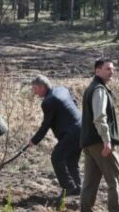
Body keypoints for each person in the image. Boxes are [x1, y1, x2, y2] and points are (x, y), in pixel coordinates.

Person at [79, 59, 119, 212]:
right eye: (107, 69)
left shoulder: (92, 88)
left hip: (90, 143)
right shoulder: (99, 90)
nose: (112, 72)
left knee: (90, 182)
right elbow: (99, 117)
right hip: (100, 142)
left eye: (112, 69)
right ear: (97, 71)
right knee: (115, 180)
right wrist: (106, 140)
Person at [28, 75, 83, 203]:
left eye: (35, 89)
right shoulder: (62, 89)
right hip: (82, 127)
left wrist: (34, 140)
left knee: (56, 157)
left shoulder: (48, 101)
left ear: (42, 87)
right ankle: (77, 188)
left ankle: (68, 187)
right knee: (71, 161)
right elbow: (74, 102)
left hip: (71, 132)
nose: (34, 92)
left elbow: (46, 125)